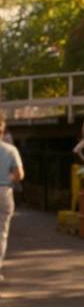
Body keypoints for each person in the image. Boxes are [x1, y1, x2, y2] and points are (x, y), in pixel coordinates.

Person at [0, 114, 24, 282]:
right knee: (1, 233)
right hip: (4, 192)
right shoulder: (10, 150)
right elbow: (19, 174)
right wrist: (8, 178)